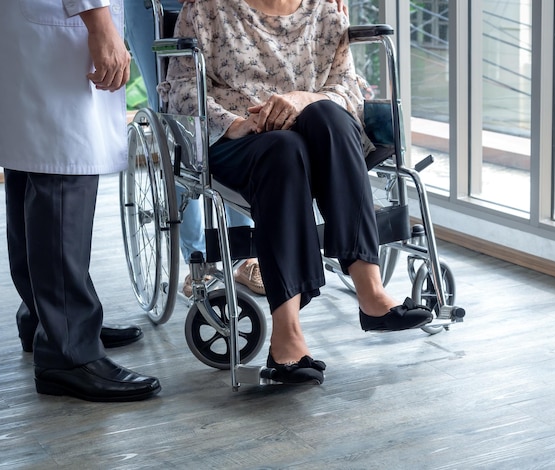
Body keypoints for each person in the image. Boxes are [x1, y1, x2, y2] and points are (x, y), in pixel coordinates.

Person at [160, 0, 433, 384]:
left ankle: (370, 291)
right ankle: (286, 332)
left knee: (327, 114)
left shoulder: (325, 9)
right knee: (283, 150)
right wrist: (233, 123)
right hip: (242, 139)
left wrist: (304, 99)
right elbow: (181, 91)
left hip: (319, 135)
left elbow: (346, 88)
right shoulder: (207, 9)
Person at [0, 1, 160, 401]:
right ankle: (68, 350)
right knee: (61, 169)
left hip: (20, 23)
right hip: (56, 20)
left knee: (30, 161)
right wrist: (99, 21)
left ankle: (47, 316)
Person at [123, 0, 265, 296]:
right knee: (178, 118)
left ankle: (246, 253)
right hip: (157, 6)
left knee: (238, 102)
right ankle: (200, 259)